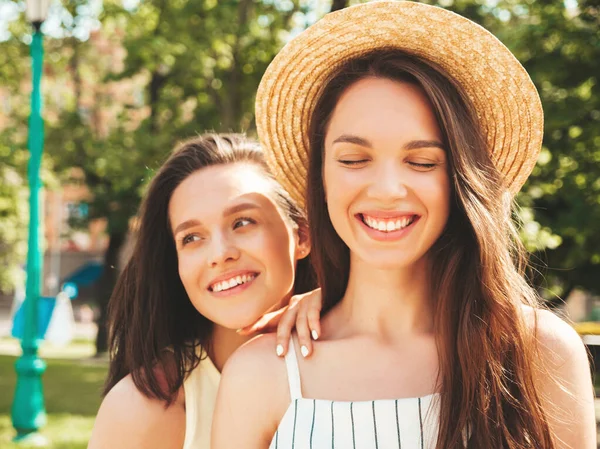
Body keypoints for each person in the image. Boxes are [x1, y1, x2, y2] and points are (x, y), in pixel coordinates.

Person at [212, 2, 595, 448]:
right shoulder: (262, 374)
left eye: (421, 161)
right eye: (354, 160)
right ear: (321, 176)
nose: (388, 189)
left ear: (459, 179)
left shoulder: (540, 354)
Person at [88, 134, 322, 449]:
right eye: (192, 238)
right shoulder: (144, 408)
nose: (219, 253)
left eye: (242, 222)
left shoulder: (363, 359)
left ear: (302, 234)